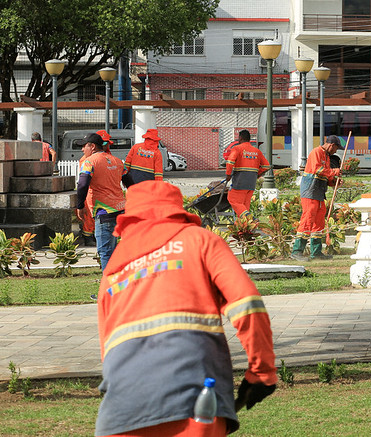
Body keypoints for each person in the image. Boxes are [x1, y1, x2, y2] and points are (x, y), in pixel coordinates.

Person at [95, 181, 277, 437]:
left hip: (120, 410)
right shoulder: (200, 241)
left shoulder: (113, 269)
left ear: (129, 218)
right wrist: (262, 372)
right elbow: (247, 304)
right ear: (177, 210)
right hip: (194, 399)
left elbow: (107, 349)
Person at [74, 133, 125, 271]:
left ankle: (108, 291)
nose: (82, 150)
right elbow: (130, 182)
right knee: (114, 251)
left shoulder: (89, 162)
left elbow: (83, 184)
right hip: (120, 211)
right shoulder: (117, 161)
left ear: (93, 146)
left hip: (104, 213)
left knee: (105, 253)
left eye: (84, 146)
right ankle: (117, 289)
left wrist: (79, 206)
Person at [291, 135, 343, 261]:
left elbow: (325, 175)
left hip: (319, 192)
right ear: (331, 145)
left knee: (319, 221)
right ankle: (297, 251)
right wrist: (334, 172)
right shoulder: (316, 152)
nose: (336, 151)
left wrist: (334, 181)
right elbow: (318, 170)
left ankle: (316, 252)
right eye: (336, 148)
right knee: (307, 219)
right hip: (310, 191)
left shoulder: (327, 156)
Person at [224, 130, 269, 217]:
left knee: (233, 200)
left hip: (240, 181)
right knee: (244, 206)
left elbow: (229, 162)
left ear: (240, 138)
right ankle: (245, 227)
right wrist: (257, 174)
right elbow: (266, 166)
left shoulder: (237, 148)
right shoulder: (257, 151)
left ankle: (250, 218)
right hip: (251, 182)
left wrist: (228, 174)